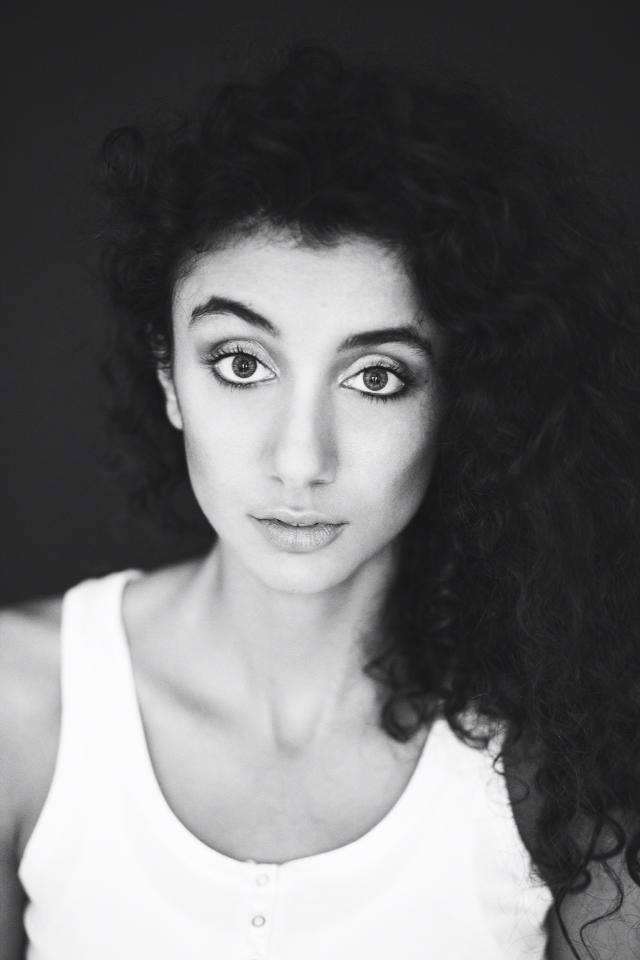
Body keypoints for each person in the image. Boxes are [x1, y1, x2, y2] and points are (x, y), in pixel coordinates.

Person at [1, 43, 639, 960]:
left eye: (376, 377)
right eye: (241, 364)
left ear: (461, 402)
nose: (300, 459)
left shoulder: (563, 753)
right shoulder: (21, 707)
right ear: (169, 376)